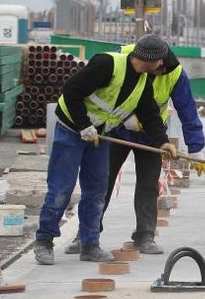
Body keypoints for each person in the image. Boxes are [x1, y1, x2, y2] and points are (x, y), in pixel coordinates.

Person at [33, 34, 176, 265]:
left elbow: (150, 114)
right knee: (61, 188)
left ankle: (90, 245)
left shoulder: (142, 82)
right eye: (159, 60)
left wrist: (163, 142)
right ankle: (44, 241)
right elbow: (71, 90)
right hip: (71, 130)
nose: (162, 64)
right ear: (148, 58)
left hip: (100, 136)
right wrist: (83, 125)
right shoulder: (107, 64)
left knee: (97, 191)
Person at [65, 36, 205, 255]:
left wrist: (196, 149)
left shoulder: (174, 73)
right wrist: (126, 117)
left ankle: (145, 235)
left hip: (152, 134)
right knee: (101, 183)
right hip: (116, 129)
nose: (158, 70)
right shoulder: (123, 57)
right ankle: (86, 235)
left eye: (161, 68)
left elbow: (187, 109)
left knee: (148, 185)